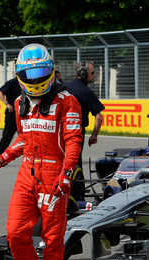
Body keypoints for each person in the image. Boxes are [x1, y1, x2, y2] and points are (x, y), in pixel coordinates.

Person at [0, 43, 83, 260]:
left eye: (40, 74)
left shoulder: (68, 101)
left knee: (52, 236)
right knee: (15, 232)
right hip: (27, 172)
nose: (35, 80)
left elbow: (74, 141)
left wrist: (66, 174)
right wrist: (4, 157)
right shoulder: (19, 103)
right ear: (20, 75)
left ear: (50, 72)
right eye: (29, 75)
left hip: (54, 174)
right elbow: (23, 140)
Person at [63, 61, 104, 200]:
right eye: (93, 73)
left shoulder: (63, 86)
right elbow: (98, 116)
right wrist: (94, 135)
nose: (94, 76)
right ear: (84, 74)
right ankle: (78, 197)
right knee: (75, 163)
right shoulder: (86, 91)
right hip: (76, 133)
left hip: (59, 132)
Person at [0, 76, 21, 154]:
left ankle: (30, 157)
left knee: (26, 137)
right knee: (7, 136)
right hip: (12, 113)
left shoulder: (27, 82)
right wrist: (7, 104)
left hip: (23, 114)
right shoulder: (13, 82)